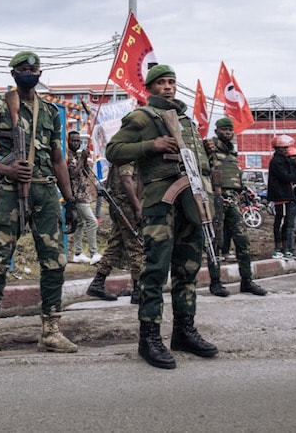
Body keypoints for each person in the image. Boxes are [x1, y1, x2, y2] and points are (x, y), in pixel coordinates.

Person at [105, 64, 218, 370]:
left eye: (172, 82)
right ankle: (149, 337)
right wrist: (151, 145)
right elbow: (113, 150)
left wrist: (206, 151)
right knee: (155, 270)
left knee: (188, 269)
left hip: (191, 203)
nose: (168, 87)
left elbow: (197, 165)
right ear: (151, 88)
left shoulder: (186, 122)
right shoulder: (142, 117)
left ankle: (184, 330)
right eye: (162, 83)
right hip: (161, 204)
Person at [0, 51, 79, 358]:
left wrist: (69, 200)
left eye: (34, 68)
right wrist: (6, 170)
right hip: (10, 191)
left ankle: (51, 331)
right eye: (23, 69)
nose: (30, 72)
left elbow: (58, 158)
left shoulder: (50, 111)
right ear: (14, 73)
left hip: (45, 193)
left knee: (55, 262)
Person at [208, 118, 267, 296]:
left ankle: (247, 281)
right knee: (215, 241)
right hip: (216, 199)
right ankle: (215, 282)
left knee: (242, 240)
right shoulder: (210, 149)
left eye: (230, 130)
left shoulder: (232, 154)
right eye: (224, 129)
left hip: (233, 200)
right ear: (217, 131)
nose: (228, 132)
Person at [85, 162, 145, 304]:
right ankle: (138, 290)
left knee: (115, 245)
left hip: (122, 204)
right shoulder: (127, 152)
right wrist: (137, 207)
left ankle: (98, 283)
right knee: (136, 245)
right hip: (127, 204)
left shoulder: (123, 151)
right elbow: (126, 180)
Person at [66, 131, 101, 264]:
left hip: (84, 193)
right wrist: (81, 160)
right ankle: (94, 253)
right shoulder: (68, 156)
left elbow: (84, 173)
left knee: (80, 224)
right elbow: (72, 174)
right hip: (76, 196)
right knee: (92, 222)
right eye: (73, 140)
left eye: (78, 141)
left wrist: (84, 159)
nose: (76, 143)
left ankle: (78, 253)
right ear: (68, 141)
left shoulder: (78, 156)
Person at [267, 134, 296, 260]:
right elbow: (287, 177)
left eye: (287, 147)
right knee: (280, 223)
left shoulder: (285, 160)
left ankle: (285, 248)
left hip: (287, 195)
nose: (286, 150)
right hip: (280, 196)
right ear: (277, 148)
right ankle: (278, 248)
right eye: (283, 148)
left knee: (286, 224)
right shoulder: (276, 161)